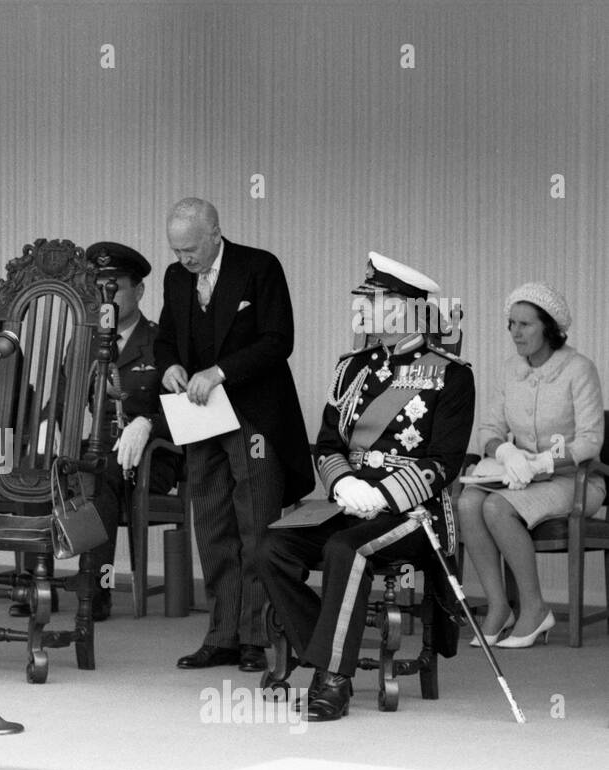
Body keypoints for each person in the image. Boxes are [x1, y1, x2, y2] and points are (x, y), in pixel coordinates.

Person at [259, 253, 475, 721]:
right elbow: (327, 443)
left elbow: (444, 464)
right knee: (271, 546)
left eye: (376, 300)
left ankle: (332, 681)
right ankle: (326, 648)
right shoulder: (353, 368)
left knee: (345, 550)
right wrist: (342, 486)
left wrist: (382, 496)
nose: (366, 309)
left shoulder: (451, 375)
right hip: (350, 502)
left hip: (413, 514)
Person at [155, 198, 312, 673]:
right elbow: (165, 338)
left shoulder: (260, 267)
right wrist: (171, 368)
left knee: (255, 526)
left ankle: (255, 636)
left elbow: (278, 340)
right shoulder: (174, 276)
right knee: (212, 524)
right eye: (177, 250)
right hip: (200, 419)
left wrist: (220, 371)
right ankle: (221, 634)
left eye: (191, 249)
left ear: (215, 233)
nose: (185, 259)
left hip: (255, 418)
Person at [458, 283, 605, 648]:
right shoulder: (510, 370)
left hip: (575, 482)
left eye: (525, 324)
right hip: (519, 477)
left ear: (549, 328)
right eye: (511, 323)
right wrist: (506, 454)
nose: (516, 333)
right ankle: (498, 607)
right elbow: (489, 429)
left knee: (495, 506)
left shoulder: (579, 369)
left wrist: (543, 461)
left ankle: (536, 610)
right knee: (468, 502)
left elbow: (590, 440)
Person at [81, 240, 182, 621]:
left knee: (97, 471)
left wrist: (149, 422)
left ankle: (96, 589)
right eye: (98, 289)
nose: (105, 297)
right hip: (100, 452)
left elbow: (185, 408)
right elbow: (62, 399)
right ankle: (36, 583)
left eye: (115, 287)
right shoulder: (86, 340)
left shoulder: (160, 343)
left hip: (153, 456)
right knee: (67, 468)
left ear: (138, 291)